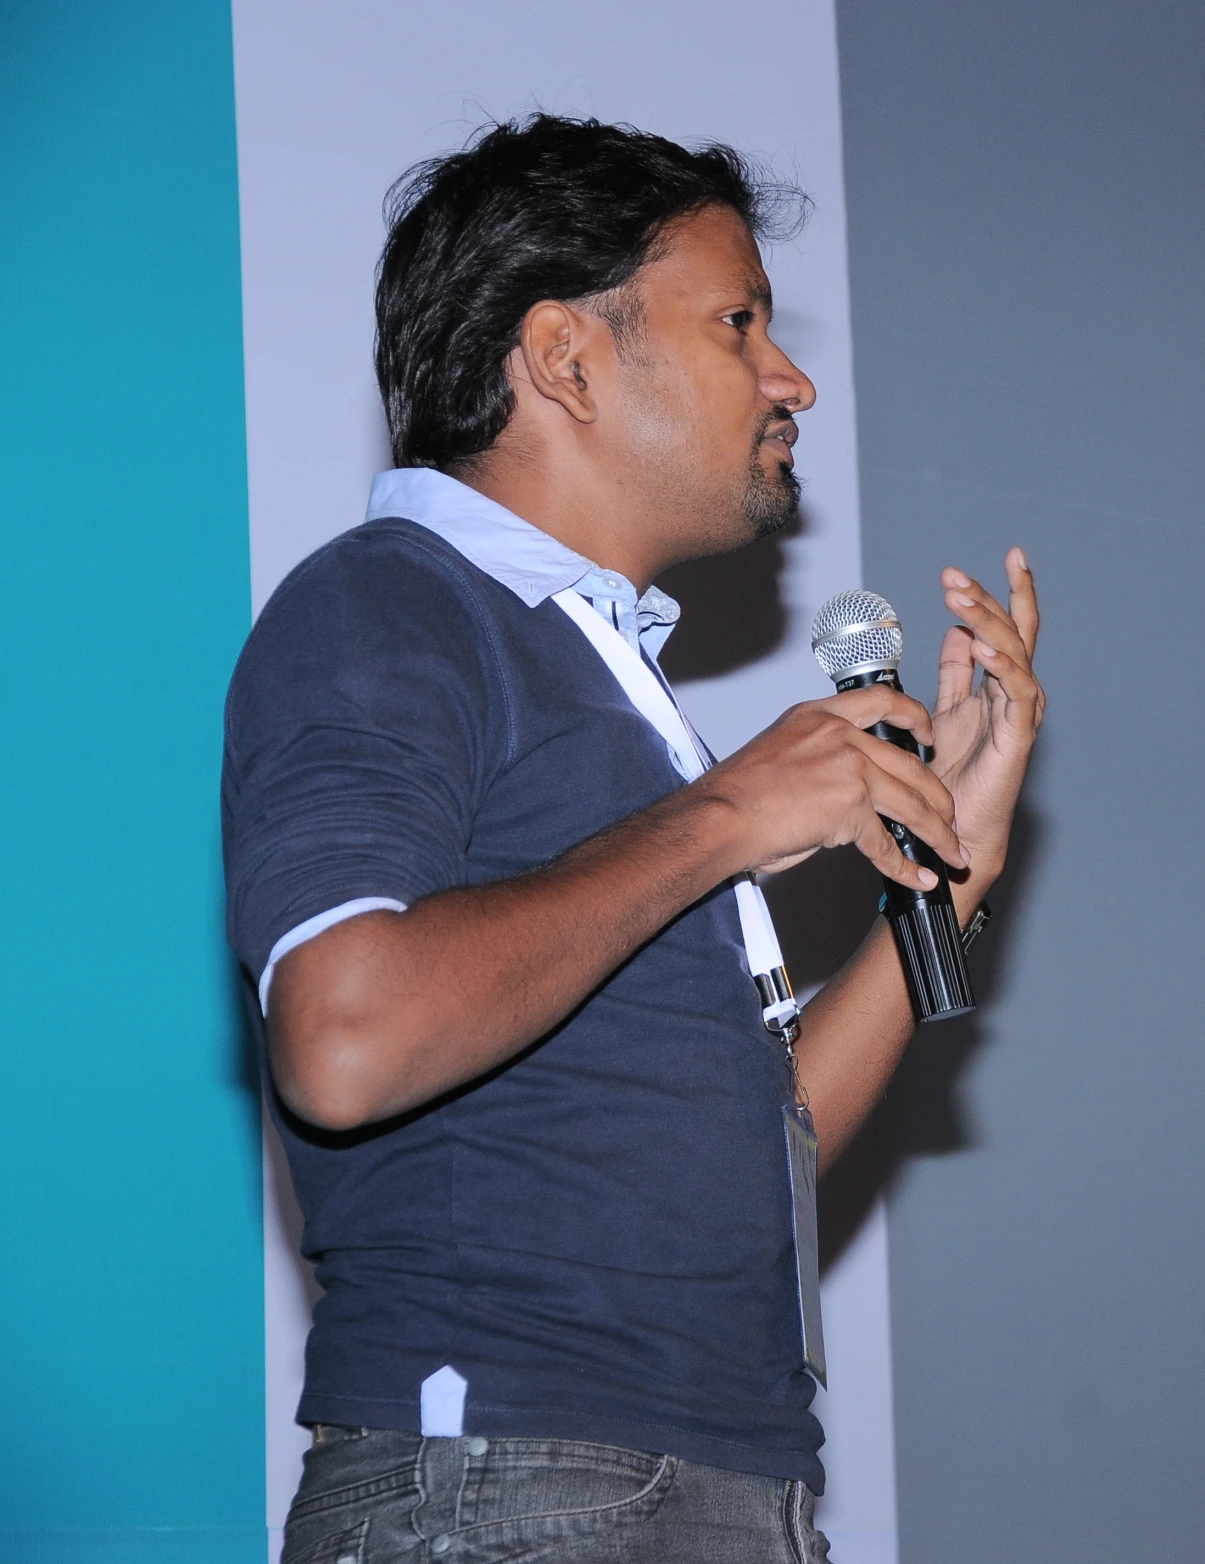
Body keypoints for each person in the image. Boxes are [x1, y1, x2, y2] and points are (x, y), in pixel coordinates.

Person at [224, 114, 1043, 1563]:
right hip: (501, 1485)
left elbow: (760, 1146)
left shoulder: (610, 683)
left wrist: (951, 883)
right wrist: (730, 815)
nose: (790, 379)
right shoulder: (386, 608)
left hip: (731, 1484)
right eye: (738, 323)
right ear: (564, 358)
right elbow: (344, 1038)